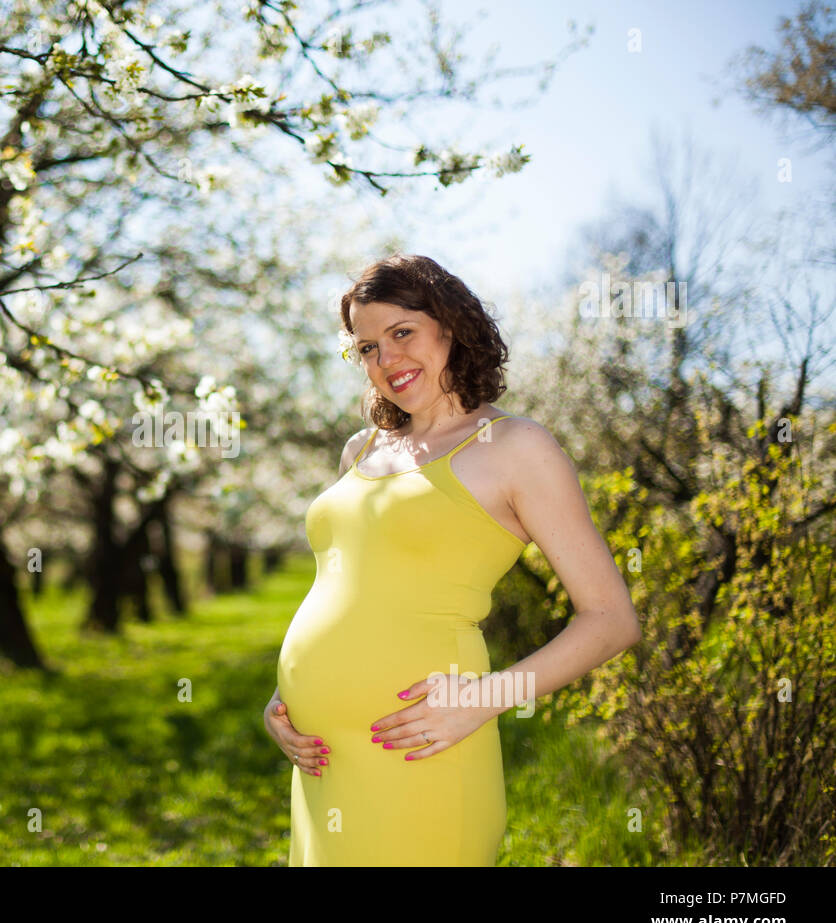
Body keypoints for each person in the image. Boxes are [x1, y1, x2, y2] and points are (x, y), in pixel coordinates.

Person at [264, 253, 641, 866]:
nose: (386, 362)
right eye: (366, 348)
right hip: (321, 758)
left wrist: (488, 697)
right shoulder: (360, 449)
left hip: (423, 748)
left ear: (450, 324)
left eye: (401, 333)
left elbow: (611, 619)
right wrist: (279, 702)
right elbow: (343, 588)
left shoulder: (517, 446)